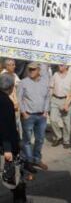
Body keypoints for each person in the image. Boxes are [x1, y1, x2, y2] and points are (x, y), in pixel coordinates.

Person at [17, 62, 50, 173]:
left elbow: (47, 97)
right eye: (29, 69)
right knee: (27, 140)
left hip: (41, 116)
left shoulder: (45, 81)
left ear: (39, 70)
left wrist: (46, 111)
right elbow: (19, 98)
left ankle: (37, 159)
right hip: (29, 115)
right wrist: (24, 112)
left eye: (33, 69)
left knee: (40, 139)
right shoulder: (23, 82)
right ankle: (29, 162)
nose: (31, 71)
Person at [0, 73, 28, 202]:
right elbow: (6, 127)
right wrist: (7, 149)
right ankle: (19, 199)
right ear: (11, 87)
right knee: (14, 175)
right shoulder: (6, 102)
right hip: (7, 146)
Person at [49, 64, 71, 148]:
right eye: (59, 65)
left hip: (66, 100)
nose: (59, 66)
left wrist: (67, 104)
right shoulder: (55, 74)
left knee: (66, 122)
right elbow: (51, 87)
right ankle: (58, 136)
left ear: (66, 66)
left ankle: (66, 140)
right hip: (55, 99)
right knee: (53, 120)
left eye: (62, 65)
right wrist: (50, 98)